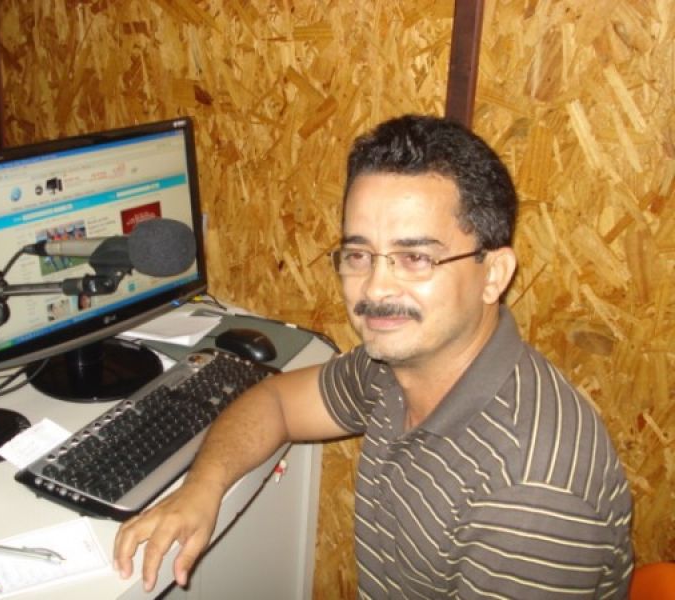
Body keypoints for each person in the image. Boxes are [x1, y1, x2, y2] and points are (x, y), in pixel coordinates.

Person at [113, 115, 634, 597]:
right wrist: (201, 489)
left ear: (493, 274)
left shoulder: (530, 494)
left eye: (416, 257)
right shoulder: (399, 363)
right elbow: (275, 402)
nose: (376, 287)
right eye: (359, 255)